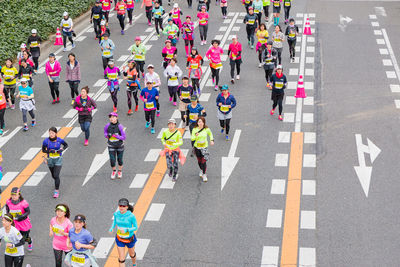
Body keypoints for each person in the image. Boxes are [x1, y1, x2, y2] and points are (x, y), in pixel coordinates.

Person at [109, 199, 138, 267]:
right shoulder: (116, 214)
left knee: (132, 254)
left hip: (129, 238)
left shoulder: (131, 216)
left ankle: (134, 264)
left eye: (123, 206)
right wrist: (111, 228)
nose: (121, 207)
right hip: (120, 239)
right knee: (121, 259)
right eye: (120, 206)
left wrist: (127, 230)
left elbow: (135, 227)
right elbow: (115, 221)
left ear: (127, 207)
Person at [42, 127, 68, 197]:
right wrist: (49, 151)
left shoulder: (59, 140)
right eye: (50, 133)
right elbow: (43, 150)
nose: (51, 134)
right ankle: (57, 181)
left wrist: (62, 149)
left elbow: (66, 145)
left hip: (58, 159)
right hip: (50, 159)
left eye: (52, 133)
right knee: (53, 175)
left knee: (56, 175)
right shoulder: (45, 141)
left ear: (56, 133)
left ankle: (56, 190)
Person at [5, 187, 32, 252]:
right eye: (12, 195)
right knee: (16, 237)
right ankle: (18, 248)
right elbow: (7, 209)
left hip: (23, 223)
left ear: (19, 195)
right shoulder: (8, 202)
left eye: (15, 195)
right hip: (14, 223)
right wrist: (8, 218)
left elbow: (28, 212)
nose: (13, 197)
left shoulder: (24, 203)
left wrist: (21, 216)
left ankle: (30, 242)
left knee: (25, 238)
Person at [191, 117, 214, 182]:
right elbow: (192, 138)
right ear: (197, 123)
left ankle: (204, 174)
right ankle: (201, 169)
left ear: (204, 122)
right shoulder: (195, 129)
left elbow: (210, 134)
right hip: (197, 147)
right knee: (199, 161)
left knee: (204, 161)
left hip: (204, 147)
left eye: (201, 122)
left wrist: (212, 140)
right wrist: (196, 136)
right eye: (199, 122)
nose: (200, 123)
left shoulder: (206, 129)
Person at [104, 113, 126, 179]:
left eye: (113, 117)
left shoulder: (120, 126)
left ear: (116, 118)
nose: (111, 118)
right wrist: (107, 136)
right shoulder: (107, 126)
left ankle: (119, 171)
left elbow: (124, 137)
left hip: (120, 145)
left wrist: (117, 136)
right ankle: (114, 171)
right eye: (110, 117)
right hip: (111, 145)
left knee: (120, 160)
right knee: (112, 160)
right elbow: (105, 133)